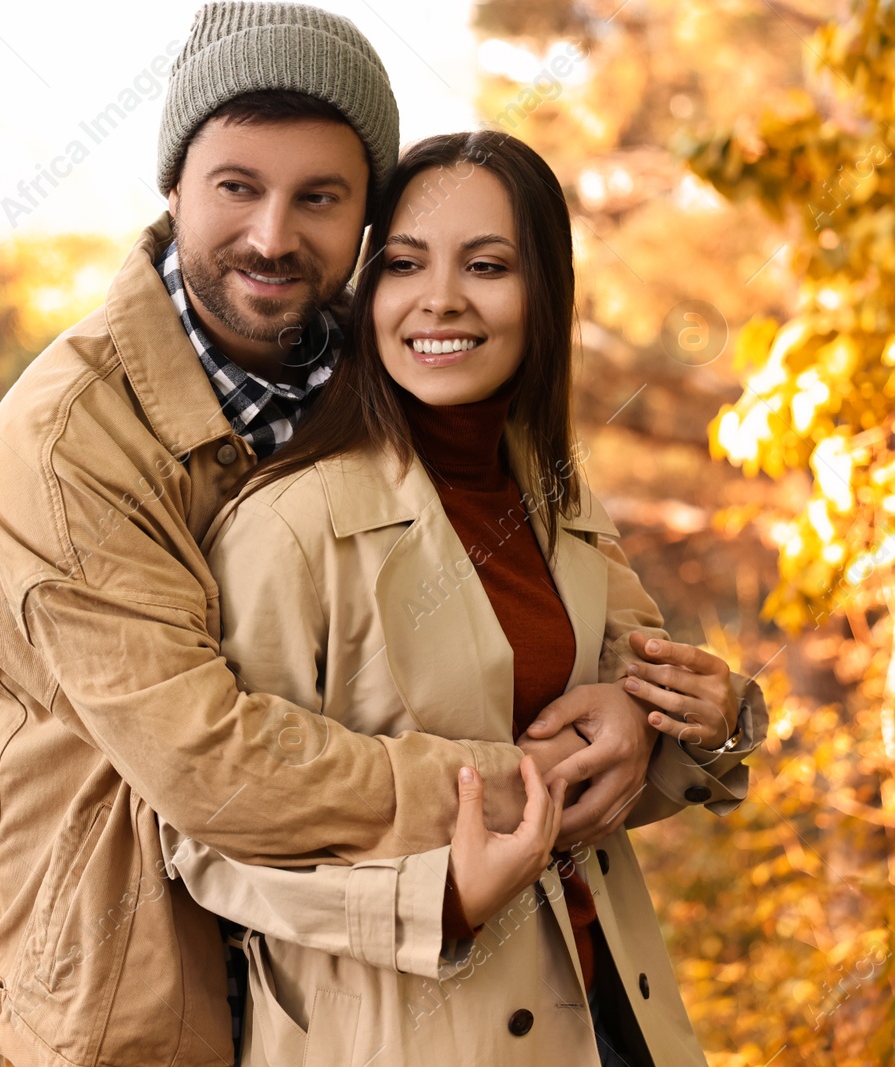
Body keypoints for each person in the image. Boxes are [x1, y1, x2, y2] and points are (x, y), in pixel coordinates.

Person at [0, 5, 757, 1065]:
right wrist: (521, 786)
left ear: (363, 222)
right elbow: (206, 763)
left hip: (448, 988)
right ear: (173, 186)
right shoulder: (67, 441)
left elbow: (608, 632)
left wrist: (653, 712)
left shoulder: (395, 364)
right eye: (237, 186)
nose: (274, 235)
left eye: (321, 198)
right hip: (141, 983)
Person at [158, 130, 766, 1067]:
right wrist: (432, 898)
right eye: (404, 264)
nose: (439, 298)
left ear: (544, 295)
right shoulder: (290, 524)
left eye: (486, 265)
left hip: (611, 1017)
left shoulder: (553, 489)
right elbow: (208, 840)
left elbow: (642, 710)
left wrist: (686, 715)